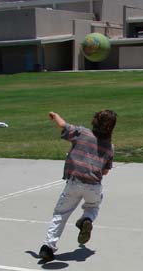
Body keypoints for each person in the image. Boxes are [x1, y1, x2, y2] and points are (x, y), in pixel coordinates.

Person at [38, 110, 116, 262]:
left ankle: (48, 246)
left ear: (94, 121)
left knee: (61, 213)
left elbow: (63, 125)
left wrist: (55, 116)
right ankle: (86, 219)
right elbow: (105, 171)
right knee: (93, 207)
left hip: (74, 182)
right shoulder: (109, 147)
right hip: (93, 186)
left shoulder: (82, 133)